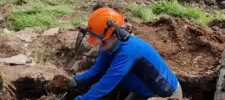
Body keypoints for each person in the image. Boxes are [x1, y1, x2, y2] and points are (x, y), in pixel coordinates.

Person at [52, 7, 183, 100]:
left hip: (166, 95)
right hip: (144, 93)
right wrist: (73, 82)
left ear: (115, 34)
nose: (98, 44)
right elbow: (96, 71)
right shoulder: (109, 46)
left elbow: (107, 83)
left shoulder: (129, 51)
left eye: (101, 40)